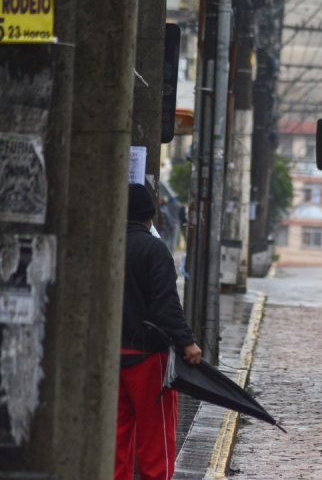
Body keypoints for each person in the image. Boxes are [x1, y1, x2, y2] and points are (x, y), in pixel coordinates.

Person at [116, 183, 202, 480]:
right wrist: (187, 342)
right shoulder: (155, 250)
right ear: (150, 216)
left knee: (116, 438)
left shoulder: (105, 246)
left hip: (110, 354)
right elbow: (166, 306)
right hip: (148, 358)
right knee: (156, 439)